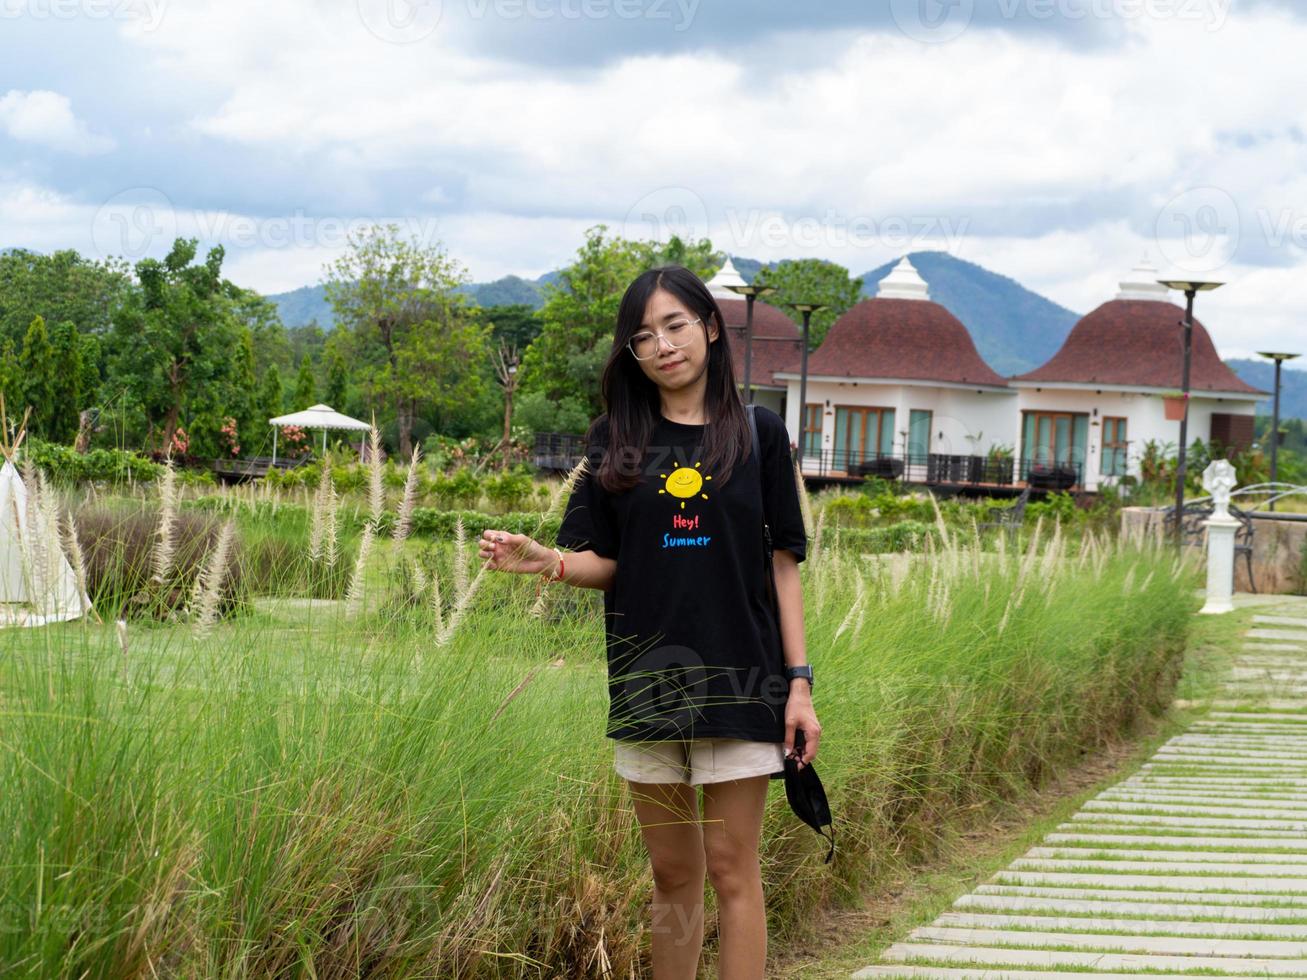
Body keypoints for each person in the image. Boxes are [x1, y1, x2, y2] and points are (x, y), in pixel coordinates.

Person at [478, 264, 820, 980]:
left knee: (732, 872)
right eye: (642, 336)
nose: (662, 345)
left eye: (674, 325)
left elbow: (781, 566)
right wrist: (547, 562)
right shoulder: (615, 439)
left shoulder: (756, 433)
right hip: (647, 683)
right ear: (630, 354)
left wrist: (798, 685)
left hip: (740, 679)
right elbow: (606, 560)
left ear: (710, 327)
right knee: (671, 877)